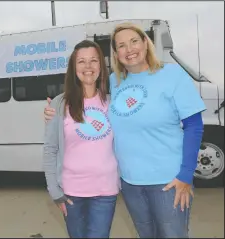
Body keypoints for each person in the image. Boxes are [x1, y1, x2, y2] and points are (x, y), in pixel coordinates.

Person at [43, 22, 205, 238]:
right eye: (121, 46)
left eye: (134, 41)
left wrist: (185, 175)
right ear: (116, 54)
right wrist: (51, 110)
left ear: (146, 43)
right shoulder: (116, 83)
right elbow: (55, 142)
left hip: (167, 180)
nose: (129, 50)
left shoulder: (172, 74)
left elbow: (194, 126)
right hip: (130, 184)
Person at [43, 39, 120, 238]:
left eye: (94, 61)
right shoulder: (59, 104)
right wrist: (55, 191)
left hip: (106, 191)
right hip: (71, 193)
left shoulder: (113, 102)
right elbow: (50, 149)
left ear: (101, 67)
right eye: (81, 61)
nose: (88, 67)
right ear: (73, 68)